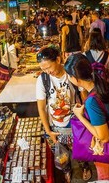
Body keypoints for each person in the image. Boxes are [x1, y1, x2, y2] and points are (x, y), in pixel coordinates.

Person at [35, 46, 90, 182]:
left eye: (49, 67)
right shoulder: (43, 80)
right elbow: (41, 108)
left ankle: (84, 166)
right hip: (56, 126)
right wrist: (48, 131)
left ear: (58, 59)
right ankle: (67, 170)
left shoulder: (71, 73)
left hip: (74, 122)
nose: (48, 72)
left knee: (79, 147)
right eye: (43, 69)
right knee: (61, 153)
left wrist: (85, 113)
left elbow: (84, 95)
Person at [64, 53, 109, 181]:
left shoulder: (92, 101)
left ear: (75, 78)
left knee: (105, 177)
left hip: (106, 147)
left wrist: (80, 116)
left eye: (69, 76)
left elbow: (104, 137)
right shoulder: (102, 83)